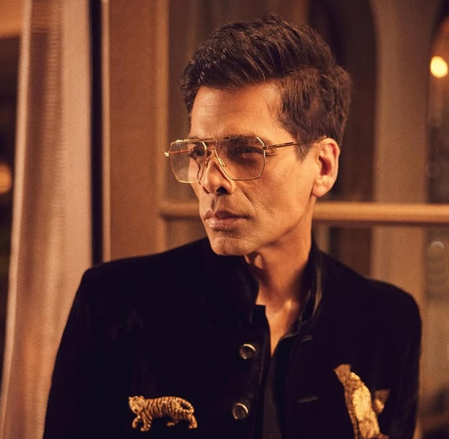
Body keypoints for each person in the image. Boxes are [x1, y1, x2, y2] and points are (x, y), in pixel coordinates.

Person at [44, 16, 421, 439]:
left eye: (245, 151)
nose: (210, 180)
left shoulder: (388, 322)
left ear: (323, 166)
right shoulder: (114, 305)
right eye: (198, 152)